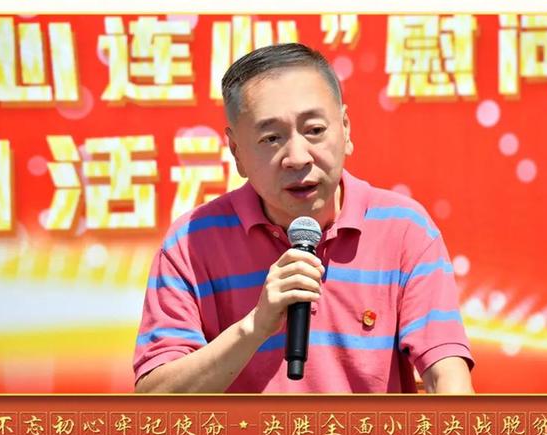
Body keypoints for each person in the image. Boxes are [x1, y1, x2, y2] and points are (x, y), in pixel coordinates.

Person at [133, 43, 474, 393]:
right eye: (271, 138)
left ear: (345, 128)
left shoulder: (403, 229)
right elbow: (154, 401)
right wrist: (255, 327)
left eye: (314, 130)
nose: (297, 157)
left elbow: (447, 375)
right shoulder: (191, 242)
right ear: (237, 152)